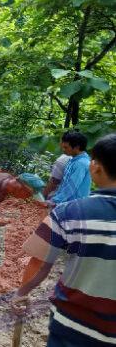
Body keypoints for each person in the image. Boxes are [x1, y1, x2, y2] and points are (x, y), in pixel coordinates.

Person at [12, 133, 116, 346]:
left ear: (96, 167)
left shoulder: (70, 212)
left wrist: (21, 294)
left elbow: (39, 262)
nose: (62, 148)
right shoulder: (72, 163)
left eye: (66, 145)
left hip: (74, 325)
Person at [49, 130, 92, 207]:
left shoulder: (81, 163)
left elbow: (71, 187)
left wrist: (54, 201)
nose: (63, 150)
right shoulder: (73, 160)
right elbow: (64, 185)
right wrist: (54, 197)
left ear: (77, 147)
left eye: (66, 147)